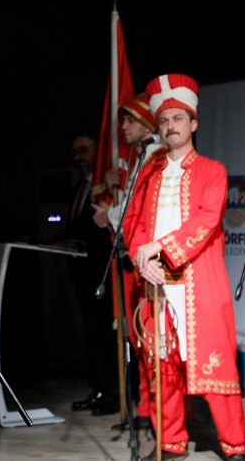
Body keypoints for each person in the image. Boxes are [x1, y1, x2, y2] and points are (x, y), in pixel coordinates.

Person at [123, 73, 245, 461]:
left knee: (216, 370)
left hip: (198, 283)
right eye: (163, 121)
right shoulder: (147, 174)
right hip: (155, 281)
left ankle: (235, 446)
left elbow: (206, 220)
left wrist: (158, 248)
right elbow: (134, 224)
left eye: (177, 119)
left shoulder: (212, 170)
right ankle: (171, 442)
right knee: (163, 368)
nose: (169, 127)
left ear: (193, 124)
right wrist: (141, 257)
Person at [92, 92, 161, 431]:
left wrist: (109, 213)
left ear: (149, 121)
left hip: (154, 261)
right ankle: (147, 411)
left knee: (154, 340)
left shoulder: (158, 155)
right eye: (121, 120)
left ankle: (161, 413)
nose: (123, 127)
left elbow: (140, 208)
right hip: (133, 258)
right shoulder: (141, 157)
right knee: (141, 339)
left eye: (130, 120)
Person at [64, 134, 120, 416]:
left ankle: (113, 394)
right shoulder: (78, 188)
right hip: (81, 273)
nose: (78, 157)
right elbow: (74, 229)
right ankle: (98, 389)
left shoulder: (104, 190)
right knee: (92, 335)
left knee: (105, 336)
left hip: (103, 274)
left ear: (98, 151)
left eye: (84, 150)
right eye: (75, 151)